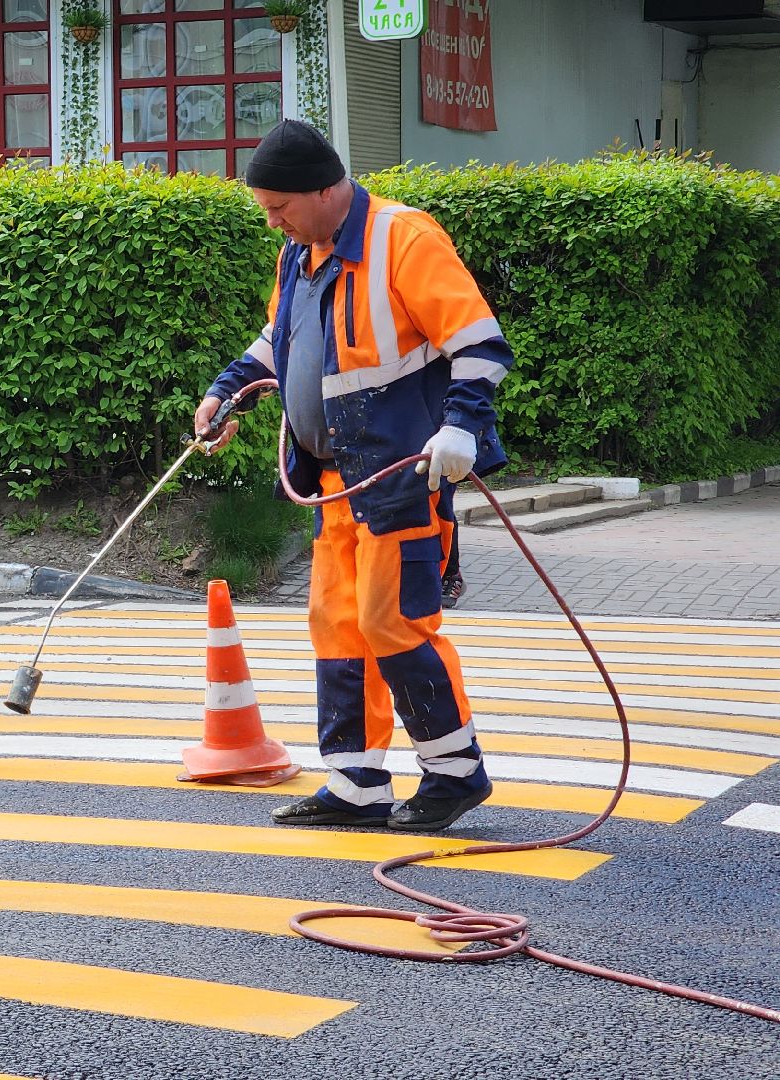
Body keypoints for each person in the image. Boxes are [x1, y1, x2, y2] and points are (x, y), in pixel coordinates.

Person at [195, 120, 513, 832]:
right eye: (265, 207)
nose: (271, 219)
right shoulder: (298, 254)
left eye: (279, 205)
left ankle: (456, 772)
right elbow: (279, 344)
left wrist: (461, 427)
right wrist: (226, 392)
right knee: (337, 625)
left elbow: (479, 344)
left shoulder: (404, 238)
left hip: (400, 475)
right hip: (334, 482)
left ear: (326, 189)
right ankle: (356, 782)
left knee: (392, 621)